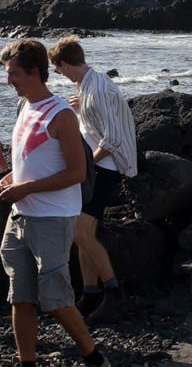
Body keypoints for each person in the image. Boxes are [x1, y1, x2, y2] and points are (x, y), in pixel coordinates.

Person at [0, 40, 112, 367]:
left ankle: (95, 361)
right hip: (20, 217)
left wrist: (27, 189)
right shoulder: (24, 107)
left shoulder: (61, 114)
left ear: (34, 72)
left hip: (52, 218)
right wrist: (11, 179)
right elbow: (31, 161)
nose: (9, 80)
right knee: (21, 297)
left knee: (57, 300)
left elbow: (76, 172)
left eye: (13, 73)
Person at [50, 36, 140, 321]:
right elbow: (98, 125)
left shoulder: (98, 89)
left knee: (81, 232)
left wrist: (86, 165)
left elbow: (112, 139)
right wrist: (81, 109)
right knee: (83, 234)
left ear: (64, 64)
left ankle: (115, 292)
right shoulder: (89, 85)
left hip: (104, 169)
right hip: (97, 167)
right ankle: (90, 294)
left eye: (58, 70)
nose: (60, 75)